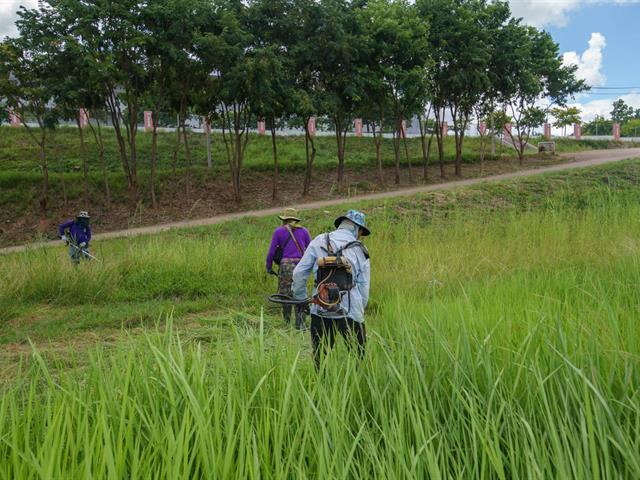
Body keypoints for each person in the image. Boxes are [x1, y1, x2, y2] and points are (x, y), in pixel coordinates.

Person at [292, 209, 371, 369]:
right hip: (351, 311)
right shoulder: (361, 250)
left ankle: (320, 388)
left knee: (320, 358)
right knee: (359, 356)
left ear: (340, 225)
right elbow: (364, 286)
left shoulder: (319, 240)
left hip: (320, 308)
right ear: (358, 229)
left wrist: (301, 300)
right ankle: (359, 387)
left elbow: (299, 273)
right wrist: (359, 309)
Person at [266, 208, 312, 329]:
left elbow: (271, 252)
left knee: (285, 294)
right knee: (300, 293)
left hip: (286, 266)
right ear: (296, 219)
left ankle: (286, 322)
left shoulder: (279, 231)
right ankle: (300, 323)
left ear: (284, 220)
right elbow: (311, 249)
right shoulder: (304, 231)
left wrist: (269, 267)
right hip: (301, 265)